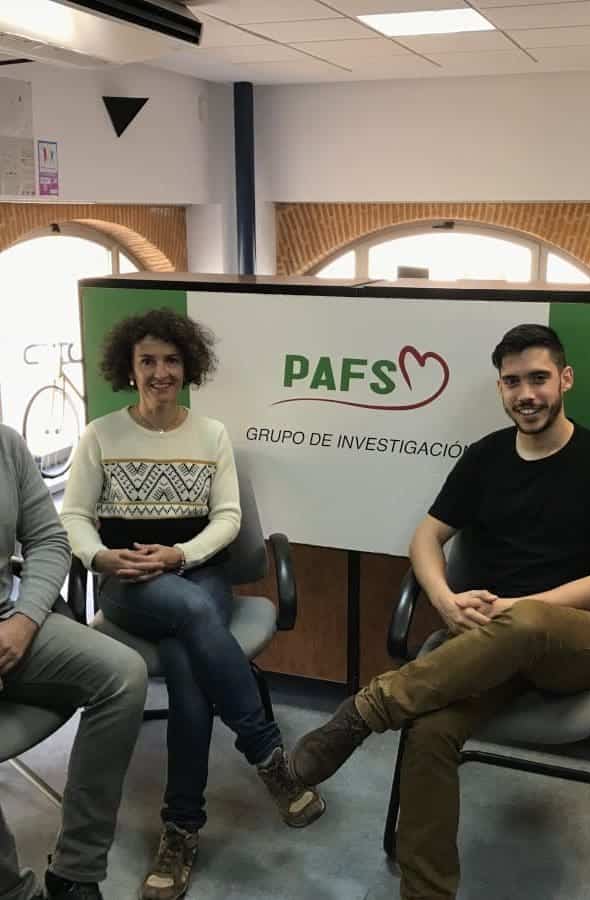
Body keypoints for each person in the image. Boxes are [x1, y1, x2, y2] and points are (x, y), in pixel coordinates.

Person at [289, 323, 590, 900]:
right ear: (500, 387)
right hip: (489, 647)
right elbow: (426, 538)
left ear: (565, 379)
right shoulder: (486, 458)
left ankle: (364, 712)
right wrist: (444, 598)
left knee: (527, 622)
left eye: (538, 378)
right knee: (431, 730)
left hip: (577, 643)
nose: (526, 394)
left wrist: (515, 608)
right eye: (512, 382)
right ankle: (425, 892)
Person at [61, 307, 325, 900]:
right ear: (129, 368)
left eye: (172, 360)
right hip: (128, 581)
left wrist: (179, 555)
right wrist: (102, 557)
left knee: (189, 666)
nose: (161, 372)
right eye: (148, 361)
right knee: (199, 618)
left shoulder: (211, 436)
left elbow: (228, 518)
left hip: (196, 573)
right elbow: (73, 516)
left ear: (188, 366)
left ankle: (180, 828)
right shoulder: (100, 435)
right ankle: (268, 756)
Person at [0, 425, 148, 900]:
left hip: (10, 622)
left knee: (124, 675)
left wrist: (25, 620)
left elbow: (49, 539)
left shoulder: (6, 444)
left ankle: (75, 871)